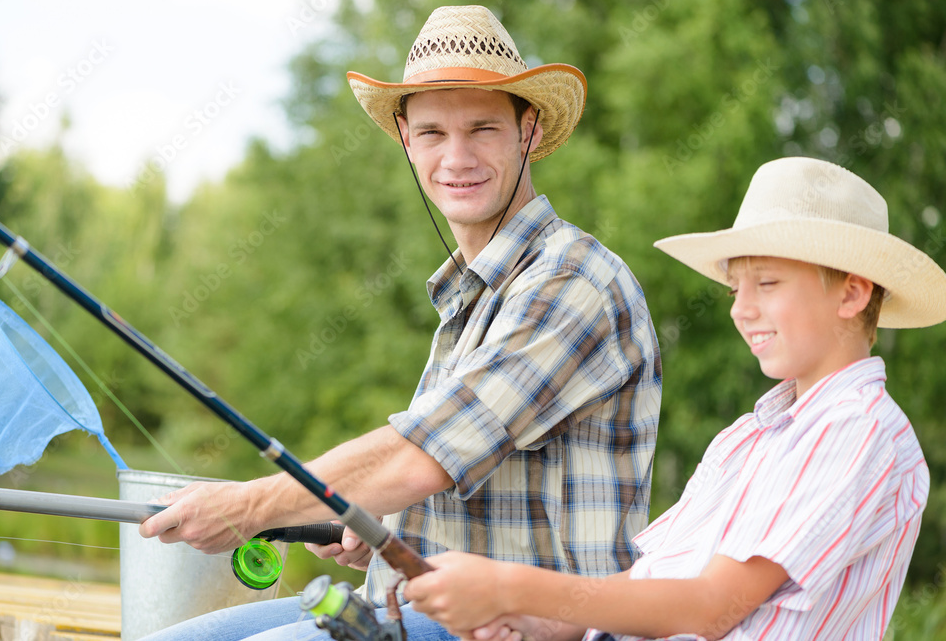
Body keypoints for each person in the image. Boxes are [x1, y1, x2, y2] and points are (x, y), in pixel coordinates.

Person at [137, 5, 661, 641]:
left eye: (483, 129)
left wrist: (250, 507)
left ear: (529, 130)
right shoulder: (473, 293)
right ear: (407, 141)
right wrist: (370, 529)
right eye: (434, 133)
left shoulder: (571, 283)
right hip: (407, 604)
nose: (457, 157)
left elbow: (423, 457)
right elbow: (455, 473)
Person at [402, 156, 946, 641]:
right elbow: (652, 580)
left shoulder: (857, 428)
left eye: (768, 284)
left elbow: (711, 608)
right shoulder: (748, 437)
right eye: (736, 289)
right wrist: (539, 622)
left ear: (852, 293)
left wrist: (509, 588)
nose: (740, 309)